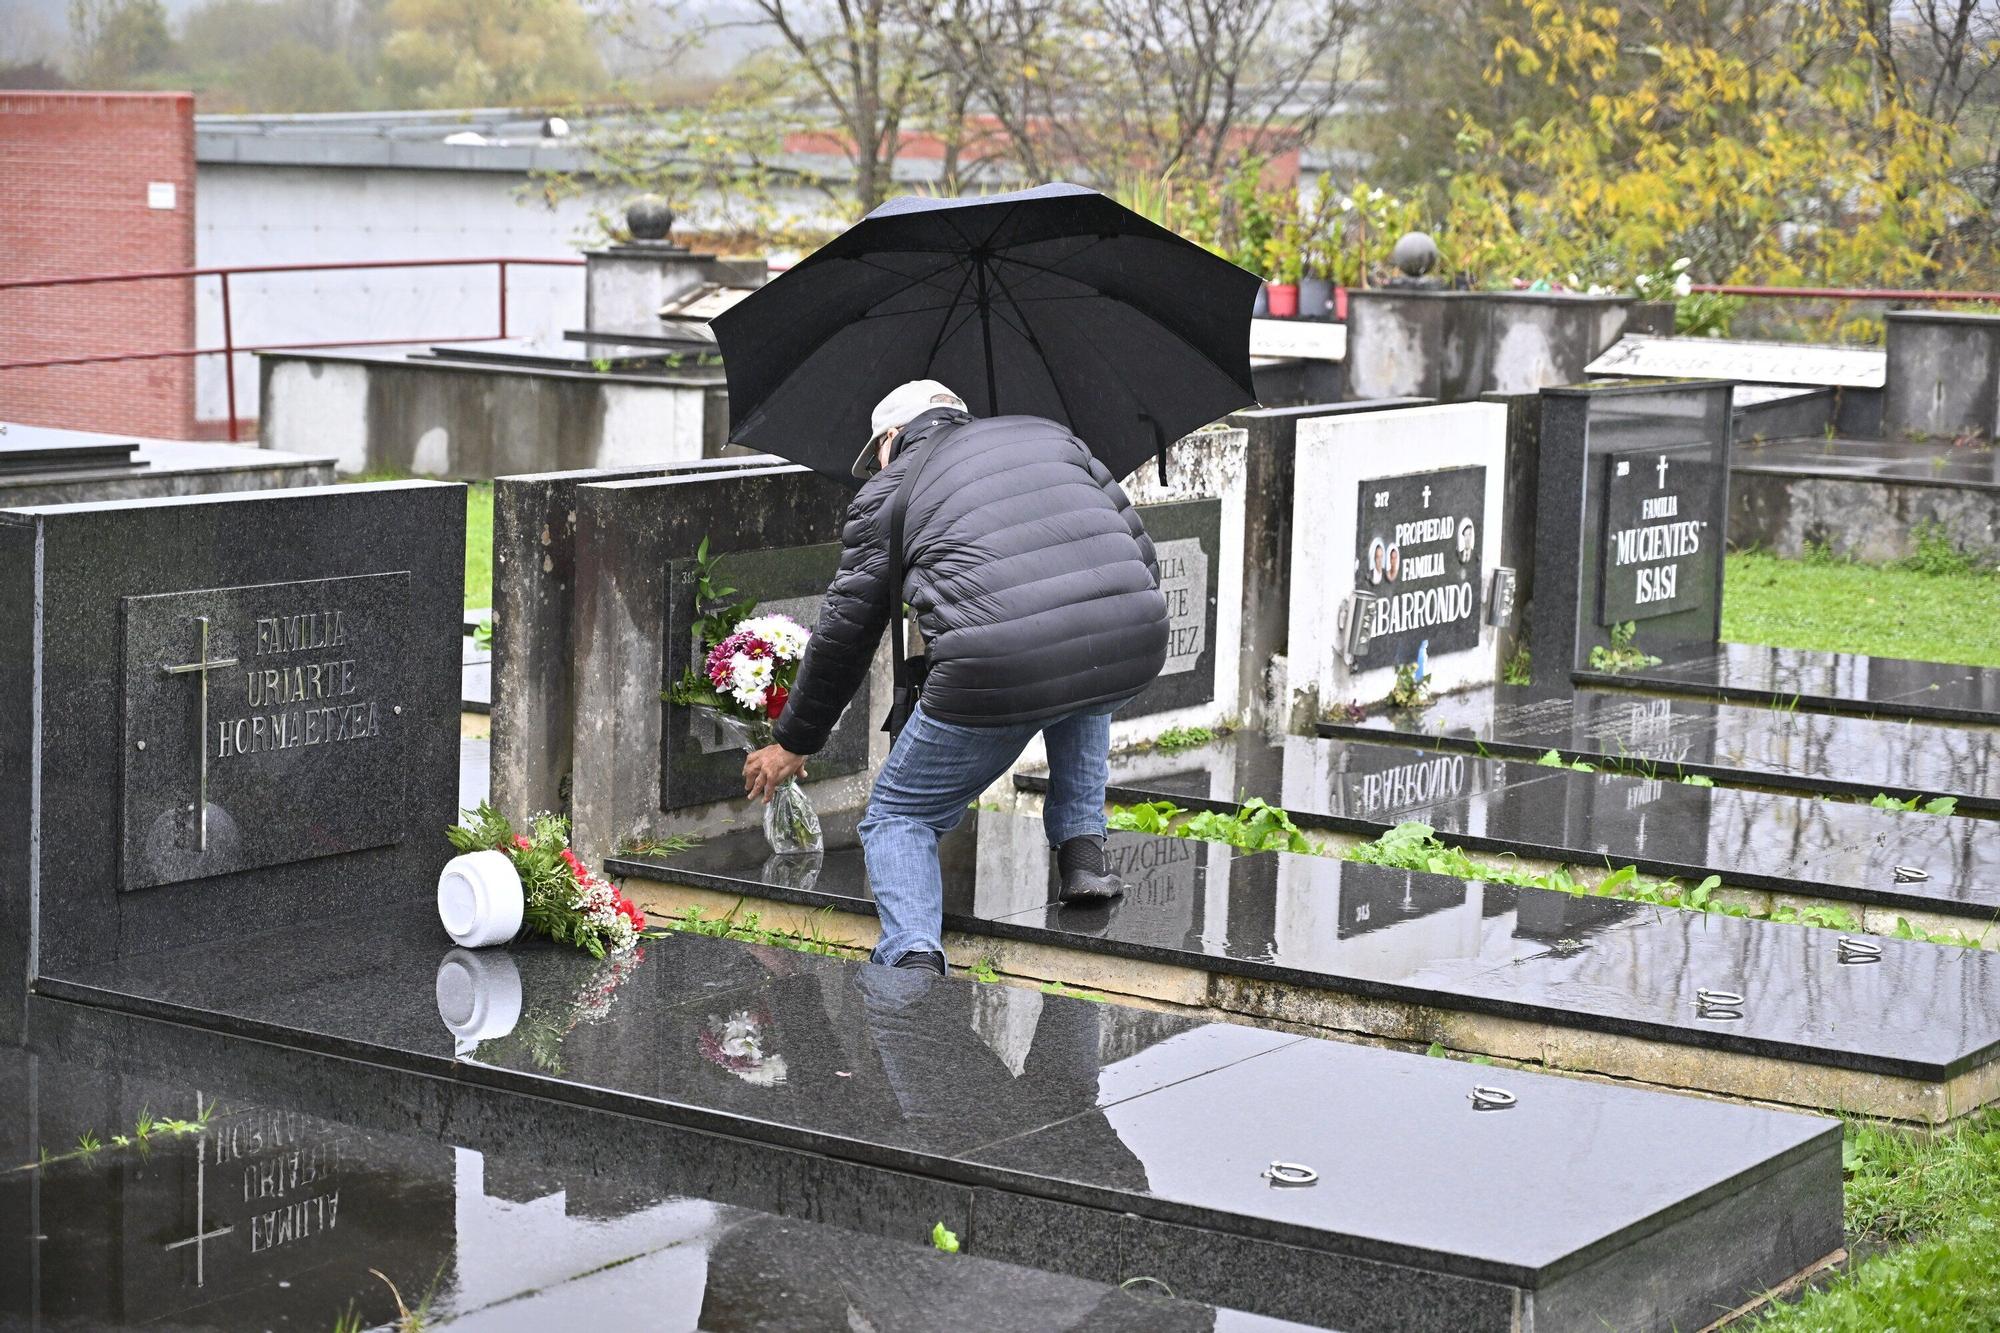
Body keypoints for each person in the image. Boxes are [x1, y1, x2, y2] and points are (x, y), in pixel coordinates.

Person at [742, 379, 1169, 976]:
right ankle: (1083, 854)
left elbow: (845, 633)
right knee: (1084, 660)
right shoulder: (1053, 436)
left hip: (998, 662)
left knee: (898, 815)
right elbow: (1136, 552)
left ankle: (913, 958)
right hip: (1135, 632)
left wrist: (795, 741)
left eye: (876, 453)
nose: (875, 466)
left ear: (894, 437)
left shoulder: (891, 490)